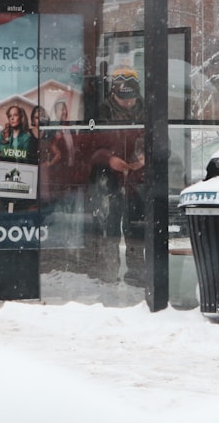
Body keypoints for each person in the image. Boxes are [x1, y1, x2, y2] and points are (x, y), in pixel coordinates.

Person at [89, 67, 146, 285]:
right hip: (108, 180)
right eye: (123, 99)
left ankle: (137, 275)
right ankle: (107, 275)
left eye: (131, 98)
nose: (128, 103)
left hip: (138, 181)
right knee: (109, 229)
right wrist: (109, 158)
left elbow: (163, 142)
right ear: (114, 93)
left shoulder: (147, 109)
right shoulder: (100, 111)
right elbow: (88, 146)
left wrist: (146, 157)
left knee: (136, 229)